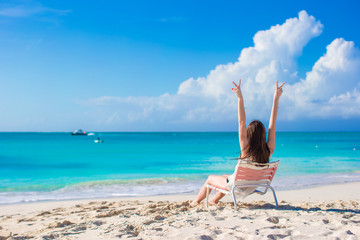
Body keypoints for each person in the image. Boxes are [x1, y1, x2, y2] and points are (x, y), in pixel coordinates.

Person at [190, 79, 285, 206]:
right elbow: (272, 126)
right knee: (226, 176)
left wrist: (239, 98)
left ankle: (195, 202)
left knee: (210, 179)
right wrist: (276, 99)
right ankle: (214, 200)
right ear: (263, 135)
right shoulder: (269, 150)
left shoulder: (245, 148)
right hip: (252, 187)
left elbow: (241, 122)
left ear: (249, 134)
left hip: (237, 187)